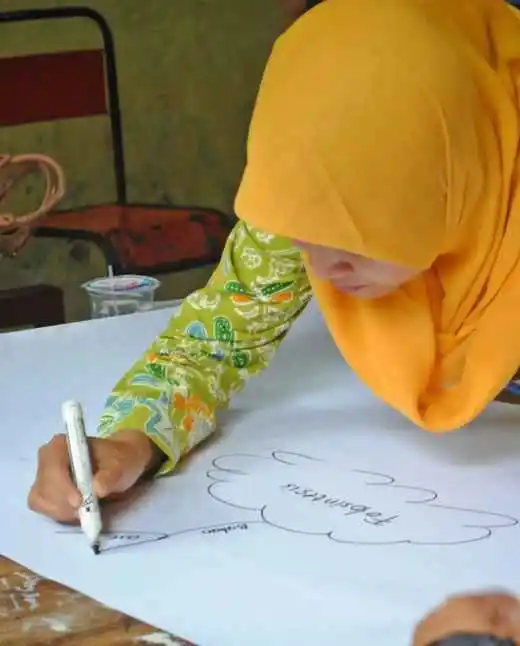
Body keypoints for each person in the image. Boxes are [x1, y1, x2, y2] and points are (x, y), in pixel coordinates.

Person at [28, 0, 520, 529]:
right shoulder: (306, 205)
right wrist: (131, 443)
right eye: (304, 235)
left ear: (461, 169)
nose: (322, 266)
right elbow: (211, 345)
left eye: (361, 232)